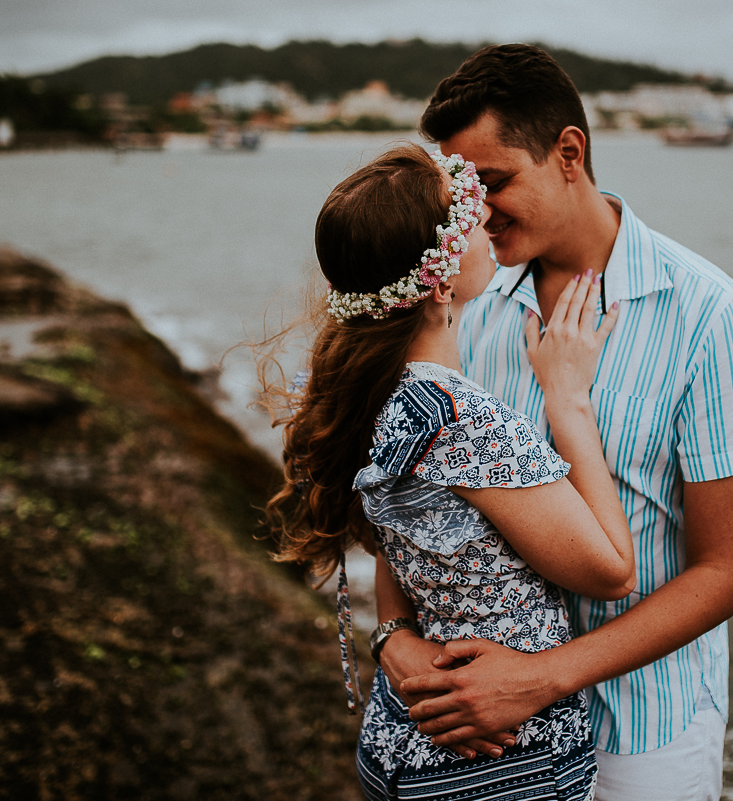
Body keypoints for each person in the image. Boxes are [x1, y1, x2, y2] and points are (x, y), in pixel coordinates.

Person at [373, 45, 733, 801]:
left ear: (568, 153)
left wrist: (538, 678)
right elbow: (419, 499)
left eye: (492, 183)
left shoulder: (709, 315)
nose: (474, 214)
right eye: (462, 193)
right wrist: (393, 636)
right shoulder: (467, 308)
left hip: (644, 735)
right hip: (488, 739)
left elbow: (723, 573)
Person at [266, 144, 641, 800]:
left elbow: (406, 545)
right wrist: (568, 401)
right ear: (438, 280)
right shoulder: (460, 418)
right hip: (497, 763)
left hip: (401, 741)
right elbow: (611, 571)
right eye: (467, 208)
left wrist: (391, 635)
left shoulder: (372, 394)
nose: (487, 210)